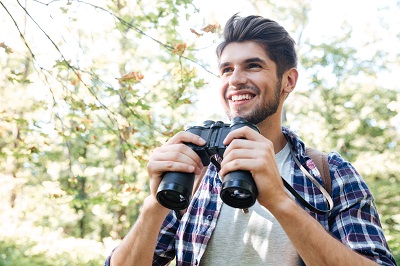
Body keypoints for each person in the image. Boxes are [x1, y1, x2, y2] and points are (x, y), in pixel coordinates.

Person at [105, 14, 396, 266]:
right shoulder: (195, 172)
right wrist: (154, 206)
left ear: (289, 80)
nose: (235, 80)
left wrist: (280, 201)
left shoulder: (330, 174)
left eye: (253, 66)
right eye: (226, 69)